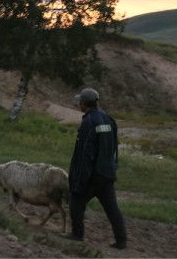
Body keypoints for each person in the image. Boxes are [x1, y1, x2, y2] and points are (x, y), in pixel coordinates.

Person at [66, 87, 127, 249]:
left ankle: (77, 234)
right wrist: (113, 167)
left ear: (84, 103)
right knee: (112, 208)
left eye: (80, 101)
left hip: (92, 175)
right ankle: (121, 241)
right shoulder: (109, 119)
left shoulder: (89, 122)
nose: (79, 104)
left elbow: (85, 154)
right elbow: (114, 148)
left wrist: (80, 179)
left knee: (76, 201)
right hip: (107, 173)